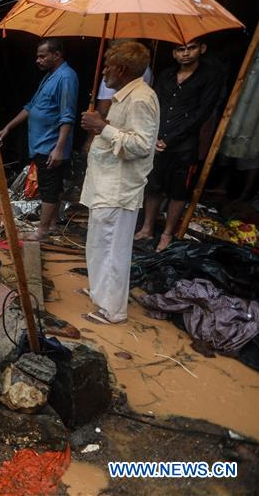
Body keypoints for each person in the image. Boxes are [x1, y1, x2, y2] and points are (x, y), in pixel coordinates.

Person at [79, 41, 160, 324]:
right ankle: (102, 293)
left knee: (112, 247)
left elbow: (142, 144)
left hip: (119, 187)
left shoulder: (140, 99)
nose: (103, 73)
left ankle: (112, 310)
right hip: (106, 183)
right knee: (99, 242)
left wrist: (102, 127)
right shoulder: (127, 96)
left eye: (108, 67)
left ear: (121, 69)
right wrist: (102, 126)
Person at [134, 40, 225, 251]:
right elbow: (154, 105)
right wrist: (153, 136)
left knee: (179, 191)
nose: (186, 53)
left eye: (191, 48)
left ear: (202, 48)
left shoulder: (210, 76)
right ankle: (147, 228)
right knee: (153, 185)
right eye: (180, 49)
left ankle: (167, 234)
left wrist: (170, 139)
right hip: (157, 140)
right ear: (174, 53)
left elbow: (202, 112)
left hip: (184, 145)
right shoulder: (166, 75)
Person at [0, 38, 78, 240]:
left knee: (49, 188)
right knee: (52, 185)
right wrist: (8, 127)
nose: (38, 60)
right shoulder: (50, 77)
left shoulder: (66, 77)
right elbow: (32, 106)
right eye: (37, 57)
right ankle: (50, 225)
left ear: (56, 55)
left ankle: (42, 231)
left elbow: (68, 115)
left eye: (43, 56)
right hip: (41, 142)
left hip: (51, 144)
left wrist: (59, 148)